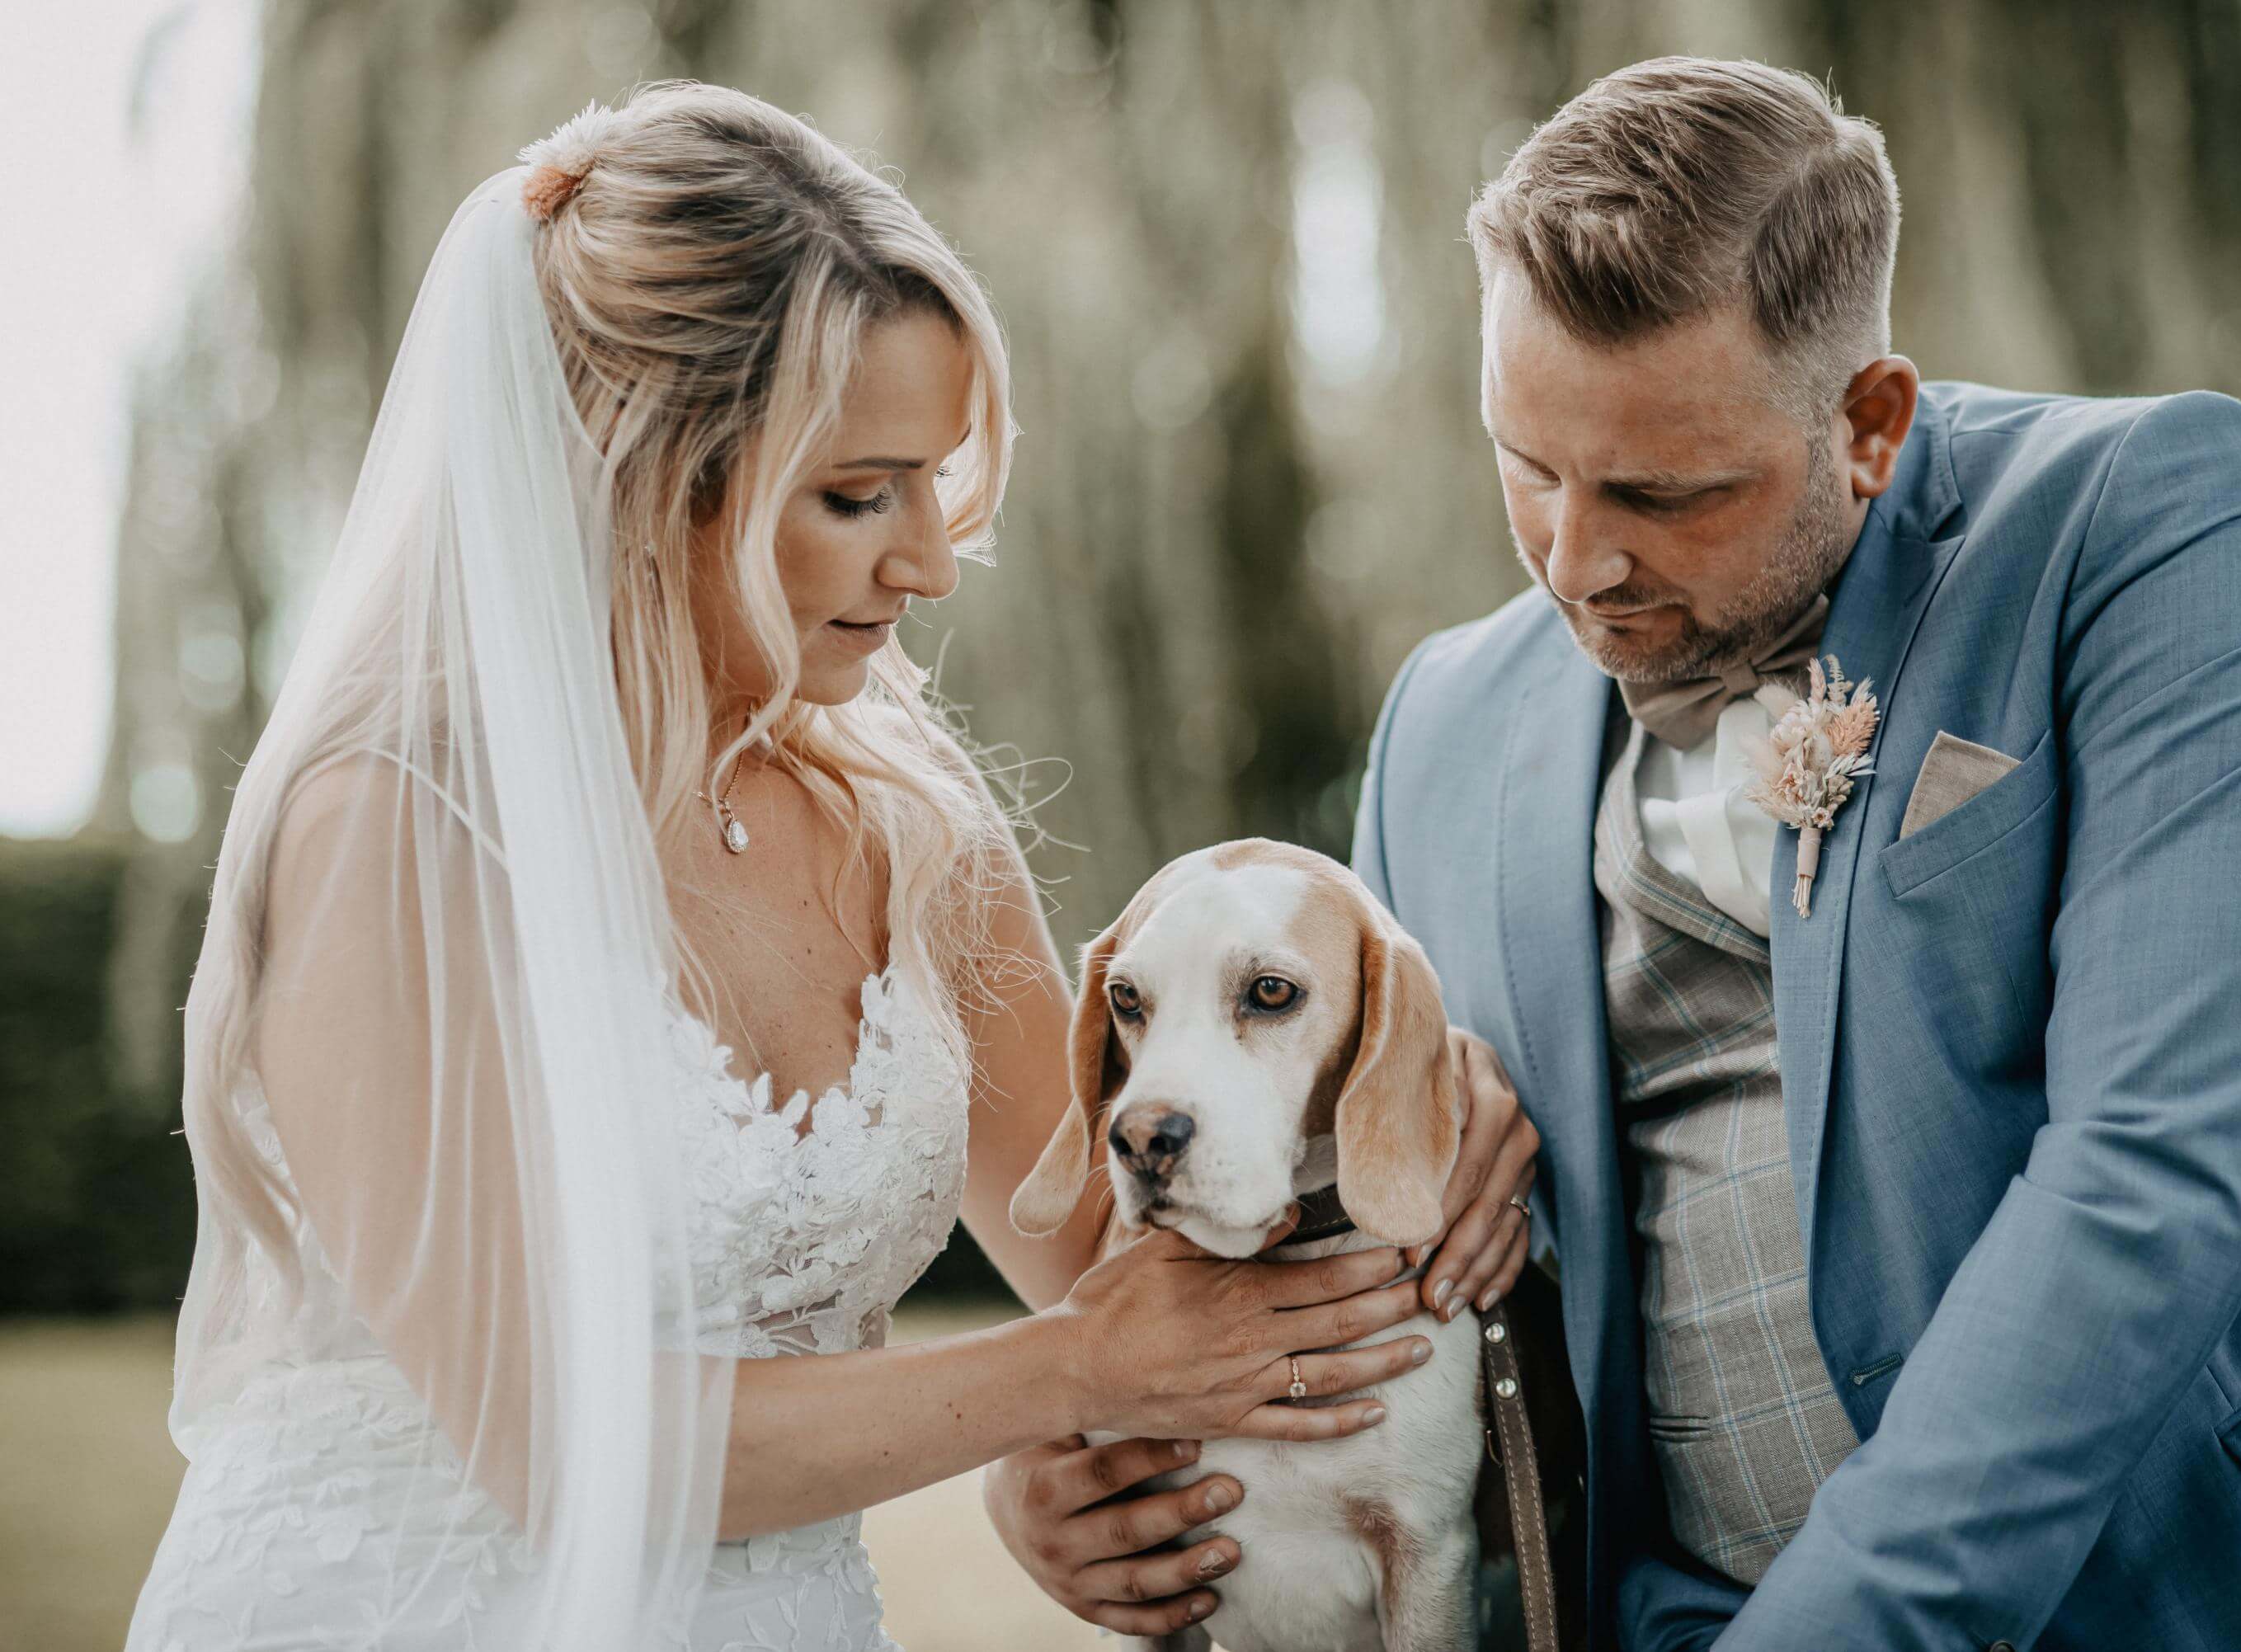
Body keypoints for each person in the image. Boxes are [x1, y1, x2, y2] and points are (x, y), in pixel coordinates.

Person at [125, 81, 1537, 1652]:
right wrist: (1053, 1385)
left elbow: (1144, 1271)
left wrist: (1422, 1135)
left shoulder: (920, 833)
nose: (929, 560)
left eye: (934, 481)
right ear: (642, 474)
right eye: (859, 496)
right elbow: (547, 1441)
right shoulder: (389, 830)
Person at [1352, 55, 2241, 1652]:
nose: (1575, 562)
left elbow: (2155, 1164)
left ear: (1870, 422)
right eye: (1528, 467)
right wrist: (1115, 1466)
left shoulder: (2159, 532)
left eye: (1666, 493)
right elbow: (1404, 1241)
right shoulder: (1439, 732)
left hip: (2229, 1595)